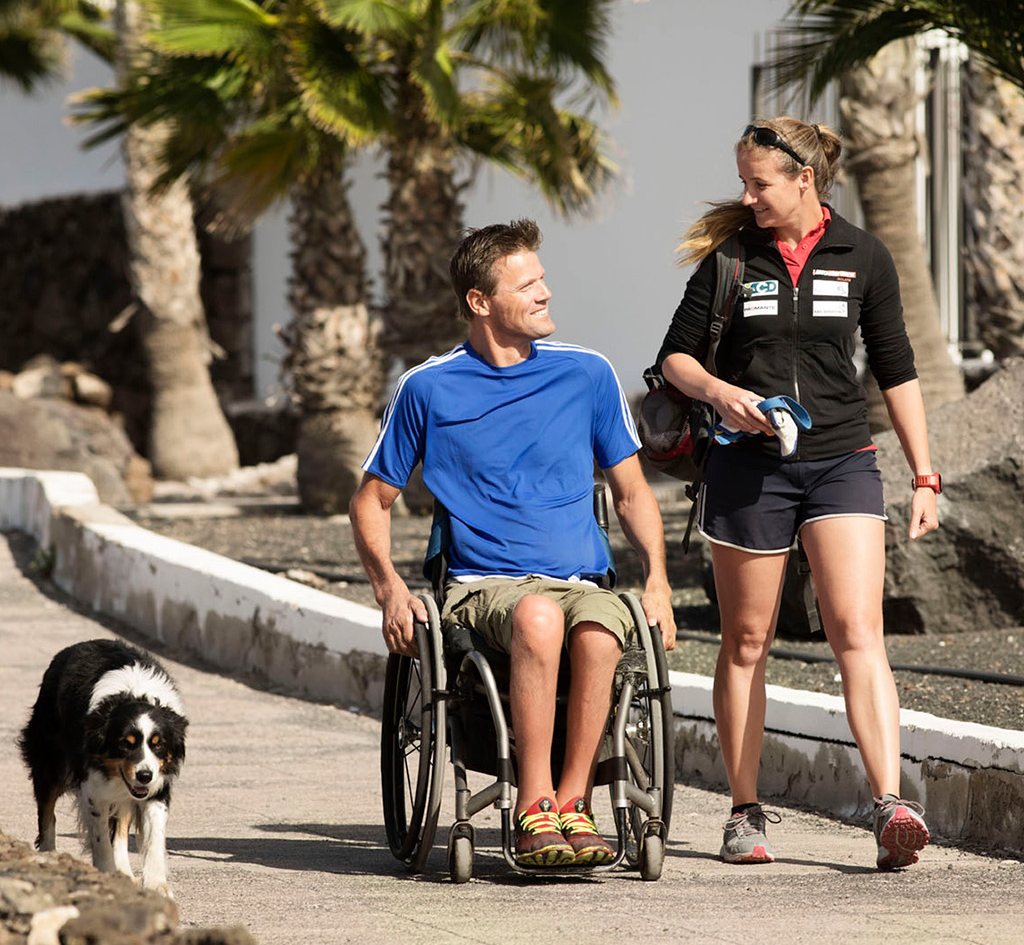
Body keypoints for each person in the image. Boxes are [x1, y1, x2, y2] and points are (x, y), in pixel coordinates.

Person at [655, 118, 940, 870]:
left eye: (760, 184)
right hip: (748, 468)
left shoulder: (863, 254)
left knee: (858, 632)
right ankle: (743, 813)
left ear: (804, 179)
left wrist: (924, 475)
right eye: (744, 184)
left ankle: (890, 804)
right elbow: (674, 358)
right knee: (747, 642)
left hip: (842, 458)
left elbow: (896, 368)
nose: (747, 197)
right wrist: (721, 393)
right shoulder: (730, 258)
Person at [350, 219, 676, 868]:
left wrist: (659, 581)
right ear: (480, 301)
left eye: (542, 280)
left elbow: (633, 493)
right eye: (527, 285)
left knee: (600, 629)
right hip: (481, 588)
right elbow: (371, 501)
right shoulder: (428, 387)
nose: (545, 293)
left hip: (579, 582)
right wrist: (389, 590)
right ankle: (533, 805)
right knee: (538, 615)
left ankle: (574, 805)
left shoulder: (587, 374)